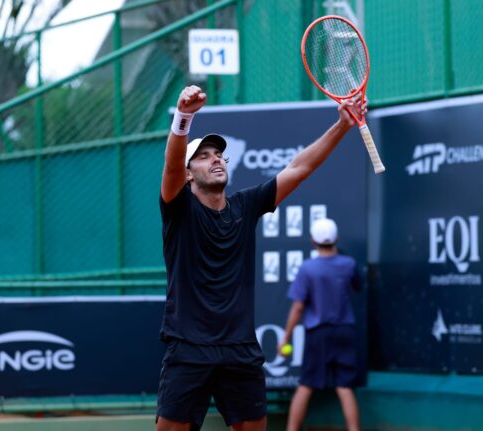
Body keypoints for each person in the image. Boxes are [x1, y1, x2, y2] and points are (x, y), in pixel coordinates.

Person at [157, 84, 366, 431]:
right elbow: (171, 168)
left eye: (219, 154)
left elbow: (299, 168)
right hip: (188, 349)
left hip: (240, 350)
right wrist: (183, 117)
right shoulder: (178, 208)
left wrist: (343, 124)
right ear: (189, 173)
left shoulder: (246, 205)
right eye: (204, 156)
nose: (216, 159)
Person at [279, 218, 362, 431]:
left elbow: (298, 308)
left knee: (306, 385)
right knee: (345, 386)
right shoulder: (349, 264)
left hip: (319, 334)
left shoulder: (307, 268)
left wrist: (285, 338)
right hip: (345, 331)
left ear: (313, 240)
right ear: (337, 238)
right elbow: (358, 285)